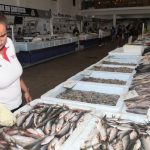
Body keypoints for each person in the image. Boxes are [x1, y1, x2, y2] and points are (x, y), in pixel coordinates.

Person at [0, 13, 32, 112]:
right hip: (4, 113)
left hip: (19, 104)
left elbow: (15, 72)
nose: (0, 41)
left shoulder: (9, 42)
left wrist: (25, 91)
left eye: (3, 35)